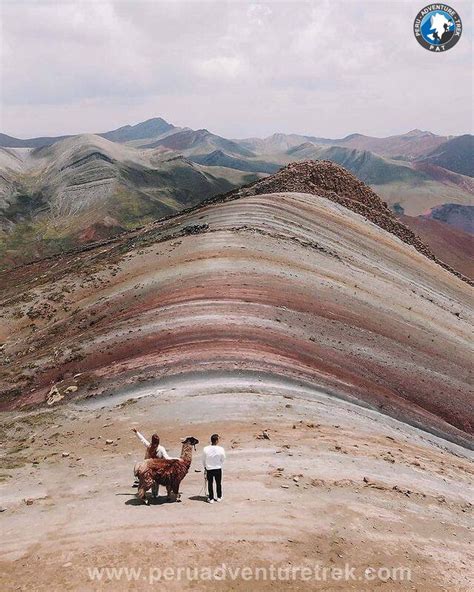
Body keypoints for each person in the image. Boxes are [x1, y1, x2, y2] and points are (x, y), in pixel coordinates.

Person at [131, 428, 179, 494]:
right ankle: (155, 494)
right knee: (157, 481)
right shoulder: (161, 449)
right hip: (158, 468)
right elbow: (167, 458)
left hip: (149, 466)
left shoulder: (149, 446)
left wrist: (136, 432)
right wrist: (177, 459)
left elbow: (143, 440)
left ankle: (149, 493)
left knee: (150, 480)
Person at [202, 434, 226, 504]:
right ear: (216, 441)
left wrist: (205, 467)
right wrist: (219, 464)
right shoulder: (221, 449)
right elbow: (223, 458)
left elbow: (203, 459)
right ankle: (219, 497)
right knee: (218, 483)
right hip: (217, 468)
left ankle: (211, 498)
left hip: (209, 468)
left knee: (210, 483)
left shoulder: (205, 448)